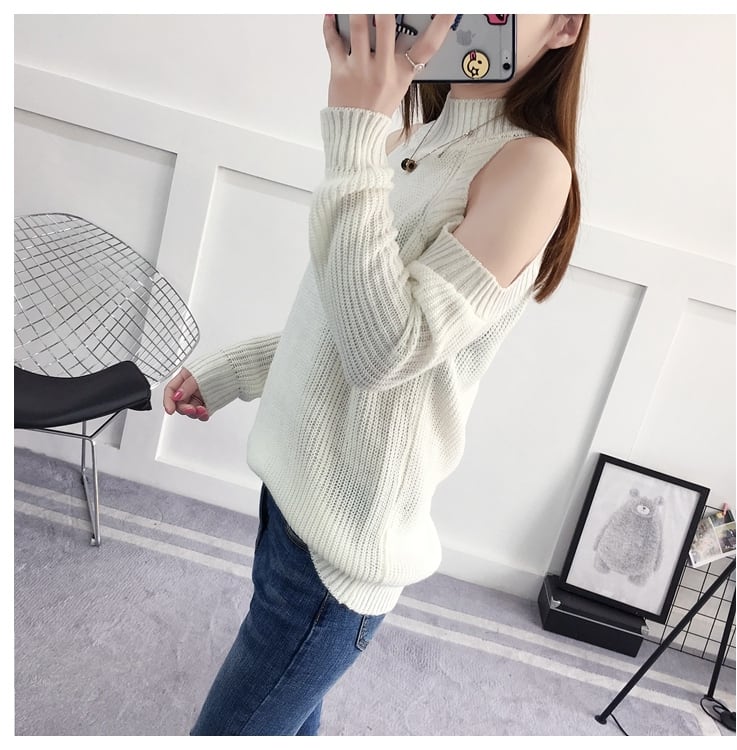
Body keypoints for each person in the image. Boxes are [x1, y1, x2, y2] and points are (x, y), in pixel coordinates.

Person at [163, 13, 589, 736]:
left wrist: (354, 133)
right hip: (289, 499)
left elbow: (382, 354)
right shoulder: (403, 142)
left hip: (339, 554)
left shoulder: (531, 168)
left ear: (565, 26)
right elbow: (335, 322)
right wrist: (233, 369)